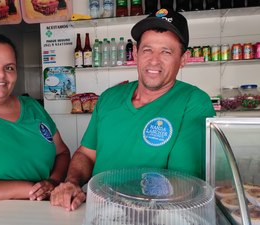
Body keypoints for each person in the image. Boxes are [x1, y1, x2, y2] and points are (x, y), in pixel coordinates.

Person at [50, 8, 216, 211]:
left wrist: (119, 199)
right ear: (136, 53)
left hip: (157, 217)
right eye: (147, 50)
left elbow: (182, 182)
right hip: (98, 213)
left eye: (166, 51)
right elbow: (86, 154)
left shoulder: (194, 103)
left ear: (183, 59)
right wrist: (73, 182)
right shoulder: (109, 98)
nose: (154, 60)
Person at [0, 33, 70, 205]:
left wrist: (53, 182)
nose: (1, 75)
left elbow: (62, 153)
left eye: (9, 67)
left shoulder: (32, 107)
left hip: (44, 214)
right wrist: (31, 189)